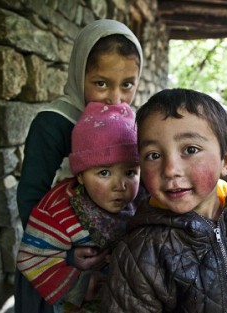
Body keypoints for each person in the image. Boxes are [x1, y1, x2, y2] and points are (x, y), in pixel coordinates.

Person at [100, 88, 227, 312]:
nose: (170, 170)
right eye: (154, 155)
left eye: (190, 149)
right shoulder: (140, 253)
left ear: (225, 160)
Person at [15, 19, 143, 313]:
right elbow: (30, 195)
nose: (115, 98)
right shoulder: (54, 123)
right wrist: (65, 253)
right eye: (101, 83)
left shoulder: (130, 122)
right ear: (78, 74)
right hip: (59, 262)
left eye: (127, 85)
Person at [17, 102, 140, 312]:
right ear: (81, 176)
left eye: (130, 173)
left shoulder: (142, 203)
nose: (120, 186)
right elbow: (31, 257)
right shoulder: (59, 212)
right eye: (104, 173)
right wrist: (79, 286)